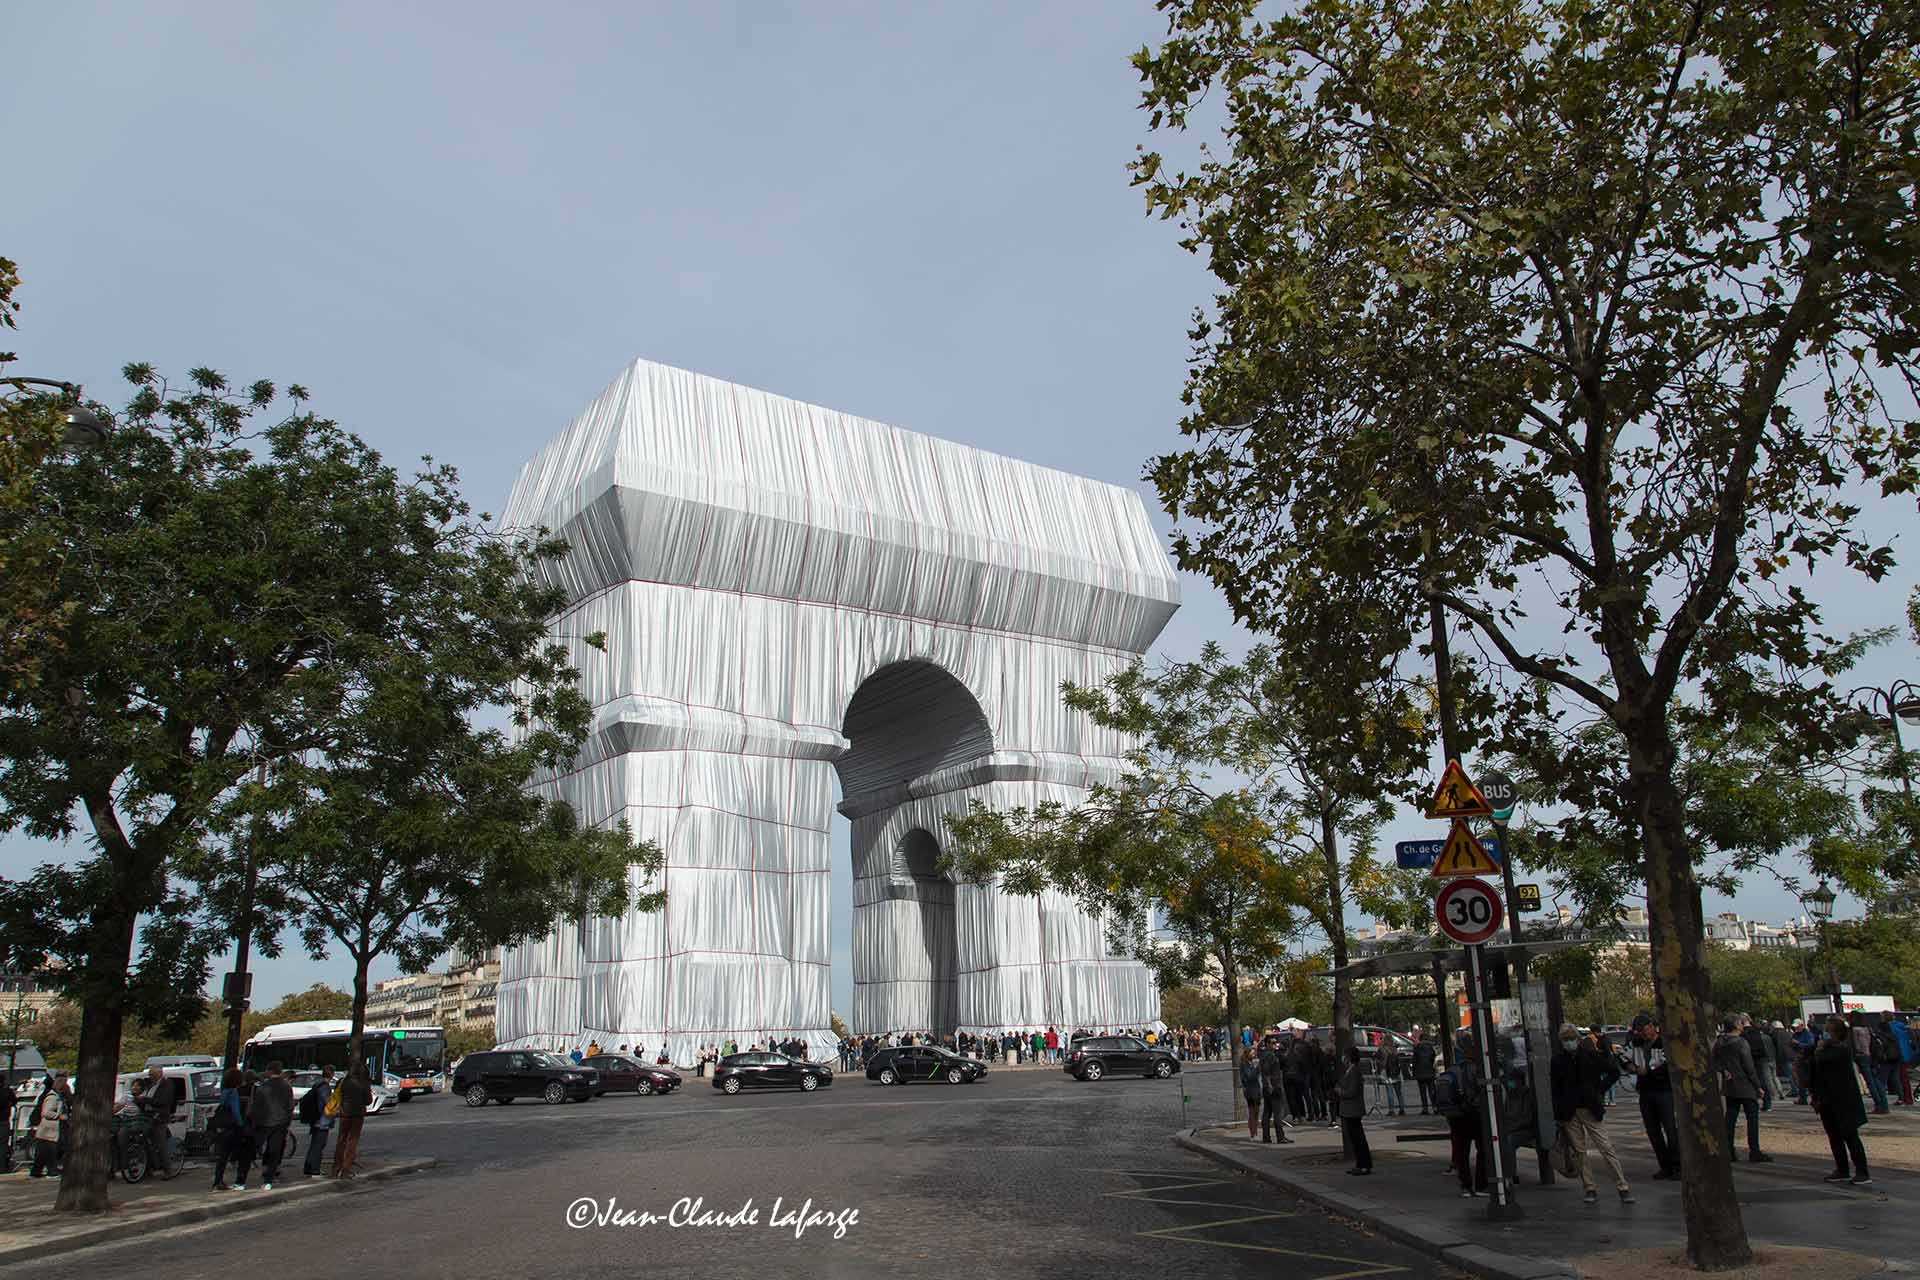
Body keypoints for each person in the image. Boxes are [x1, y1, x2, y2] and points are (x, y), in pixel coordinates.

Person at [1551, 1022, 1633, 1204]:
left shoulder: (1589, 1056)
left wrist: (1599, 1090)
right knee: (1581, 1152)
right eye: (1566, 1039)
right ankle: (1591, 1187)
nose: (1569, 1042)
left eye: (1571, 1039)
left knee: (1605, 1147)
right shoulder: (1559, 1060)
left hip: (1587, 1107)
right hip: (1572, 1110)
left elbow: (1613, 1072)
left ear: (1577, 1039)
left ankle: (1620, 1185)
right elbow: (1555, 1089)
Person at [1811, 1016, 1872, 1185]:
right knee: (1835, 1136)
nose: (1825, 1034)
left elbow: (1825, 1062)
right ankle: (1842, 1169)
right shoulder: (1825, 1050)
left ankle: (1862, 1171)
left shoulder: (1841, 1049)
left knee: (1850, 1136)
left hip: (1843, 1100)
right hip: (1827, 1099)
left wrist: (1820, 1050)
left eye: (1828, 1030)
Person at [1622, 1013, 1679, 1179]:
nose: (1643, 1033)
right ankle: (1665, 1166)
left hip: (1664, 1090)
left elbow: (1667, 1064)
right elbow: (1622, 1057)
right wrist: (1632, 1067)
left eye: (1644, 1029)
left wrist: (1649, 1071)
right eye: (1639, 1031)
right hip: (1646, 1092)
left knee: (1670, 1129)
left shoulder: (1664, 1043)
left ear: (1652, 1026)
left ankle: (1676, 1166)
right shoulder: (1636, 1044)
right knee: (1653, 1131)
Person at [1712, 1015, 1771, 1162]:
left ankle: (1729, 1150)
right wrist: (1758, 1085)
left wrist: (1724, 1070)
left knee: (1730, 1118)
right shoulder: (1741, 1042)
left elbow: (1714, 1060)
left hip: (1730, 1085)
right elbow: (1748, 1066)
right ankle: (1754, 1150)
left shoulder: (1720, 1042)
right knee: (1752, 1117)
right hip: (1745, 1084)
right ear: (1736, 1025)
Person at [1439, 1045, 1486, 1196]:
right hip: (1473, 1114)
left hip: (1456, 1115)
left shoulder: (1453, 1069)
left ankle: (1465, 1186)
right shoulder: (1477, 1069)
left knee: (1462, 1151)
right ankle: (1480, 1185)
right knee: (1483, 1149)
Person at [249, 1060, 295, 1190]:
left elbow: (257, 1105)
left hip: (265, 1122)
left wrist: (255, 1121)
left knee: (257, 1147)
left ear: (269, 1071)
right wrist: (287, 1122)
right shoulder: (286, 1086)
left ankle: (244, 1177)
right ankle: (269, 1179)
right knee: (274, 1150)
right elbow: (290, 1106)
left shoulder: (264, 1086)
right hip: (280, 1123)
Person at [210, 1067, 251, 1190]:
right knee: (240, 1152)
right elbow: (235, 1111)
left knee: (222, 1156)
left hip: (223, 1126)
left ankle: (218, 1181)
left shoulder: (225, 1091)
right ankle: (237, 1180)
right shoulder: (234, 1092)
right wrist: (241, 1124)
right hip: (232, 1127)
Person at [332, 1063, 373, 1179]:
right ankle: (346, 1169)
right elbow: (368, 1100)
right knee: (352, 1142)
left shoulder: (344, 1081)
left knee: (341, 1140)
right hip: (357, 1114)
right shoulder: (363, 1083)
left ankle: (336, 1167)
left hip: (344, 1113)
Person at [1336, 1046, 1372, 1175]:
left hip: (1353, 1109)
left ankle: (1364, 1165)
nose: (1343, 1058)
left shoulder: (1355, 1071)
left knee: (1358, 1138)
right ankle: (1360, 1164)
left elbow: (1352, 1091)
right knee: (1355, 1138)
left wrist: (1341, 1092)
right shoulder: (1349, 1070)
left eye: (1345, 1055)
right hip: (1349, 1109)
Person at [299, 1064, 336, 1176]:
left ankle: (309, 1167)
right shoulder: (324, 1087)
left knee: (315, 1144)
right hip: (322, 1120)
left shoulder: (317, 1084)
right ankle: (314, 1169)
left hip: (316, 1118)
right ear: (332, 1074)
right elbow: (328, 1103)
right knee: (318, 1145)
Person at [141, 1064, 179, 1176]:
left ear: (159, 1074)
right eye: (149, 1074)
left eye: (152, 1074)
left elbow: (163, 1101)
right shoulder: (150, 1085)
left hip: (159, 1117)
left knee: (160, 1143)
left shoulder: (167, 1084)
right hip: (148, 1115)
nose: (150, 1076)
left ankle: (168, 1170)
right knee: (146, 1141)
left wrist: (146, 1100)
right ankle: (149, 1167)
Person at [28, 1078, 68, 1178]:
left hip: (47, 1129)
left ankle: (36, 1172)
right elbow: (46, 1112)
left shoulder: (55, 1096)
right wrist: (59, 1116)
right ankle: (52, 1171)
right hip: (49, 1129)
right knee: (51, 1151)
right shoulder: (53, 1097)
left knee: (42, 1153)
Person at [1850, 1017, 1890, 1114]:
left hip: (1862, 1056)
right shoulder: (1867, 1029)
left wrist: (1857, 1054)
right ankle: (1884, 1104)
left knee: (1870, 1082)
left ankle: (1878, 1105)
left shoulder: (1855, 1030)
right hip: (1871, 1056)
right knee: (1876, 1080)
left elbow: (1856, 1044)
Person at [1258, 1035, 1294, 1144]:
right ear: (1268, 1044)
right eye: (1273, 1043)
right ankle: (1280, 1137)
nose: (1275, 1045)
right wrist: (1270, 1086)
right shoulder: (1270, 1056)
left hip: (1269, 1086)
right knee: (1277, 1113)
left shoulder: (1266, 1055)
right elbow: (1266, 1072)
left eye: (1276, 1043)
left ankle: (1266, 1137)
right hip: (1274, 1087)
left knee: (1267, 1113)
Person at [1738, 1014, 1775, 1111]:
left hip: (1748, 1059)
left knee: (1750, 1082)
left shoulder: (1742, 1034)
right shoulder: (1756, 1031)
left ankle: (1754, 1104)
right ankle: (1767, 1103)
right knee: (1763, 1081)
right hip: (1760, 1058)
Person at [1410, 1027, 1438, 1115]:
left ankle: (1425, 1108)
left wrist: (1414, 1072)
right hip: (1430, 1072)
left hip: (1420, 1073)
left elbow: (1414, 1061)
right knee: (1432, 1091)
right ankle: (1435, 1107)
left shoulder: (1417, 1048)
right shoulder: (1431, 1048)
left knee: (1423, 1092)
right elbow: (1434, 1060)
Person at [1239, 1046, 1262, 1140]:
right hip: (1250, 1090)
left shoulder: (1249, 1063)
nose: (1254, 1055)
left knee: (1256, 1112)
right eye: (1252, 1053)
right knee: (1252, 1112)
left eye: (1254, 1053)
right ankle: (1253, 1134)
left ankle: (1255, 1132)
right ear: (1247, 1054)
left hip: (1254, 1089)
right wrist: (1257, 1069)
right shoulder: (1244, 1064)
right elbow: (1249, 1076)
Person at [1382, 1038, 1407, 1116]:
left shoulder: (1386, 1053)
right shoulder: (1397, 1053)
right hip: (1397, 1075)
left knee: (1390, 1093)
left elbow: (1386, 1065)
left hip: (1389, 1075)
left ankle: (1391, 1110)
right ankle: (1402, 1109)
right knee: (1399, 1093)